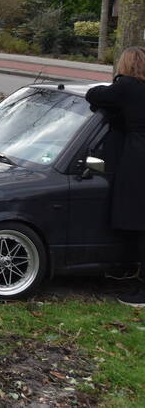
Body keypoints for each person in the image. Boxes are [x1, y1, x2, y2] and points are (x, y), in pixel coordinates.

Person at [86, 46, 145, 307]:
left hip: (138, 157)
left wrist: (117, 83)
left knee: (138, 221)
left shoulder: (127, 87)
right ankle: (129, 269)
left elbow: (94, 94)